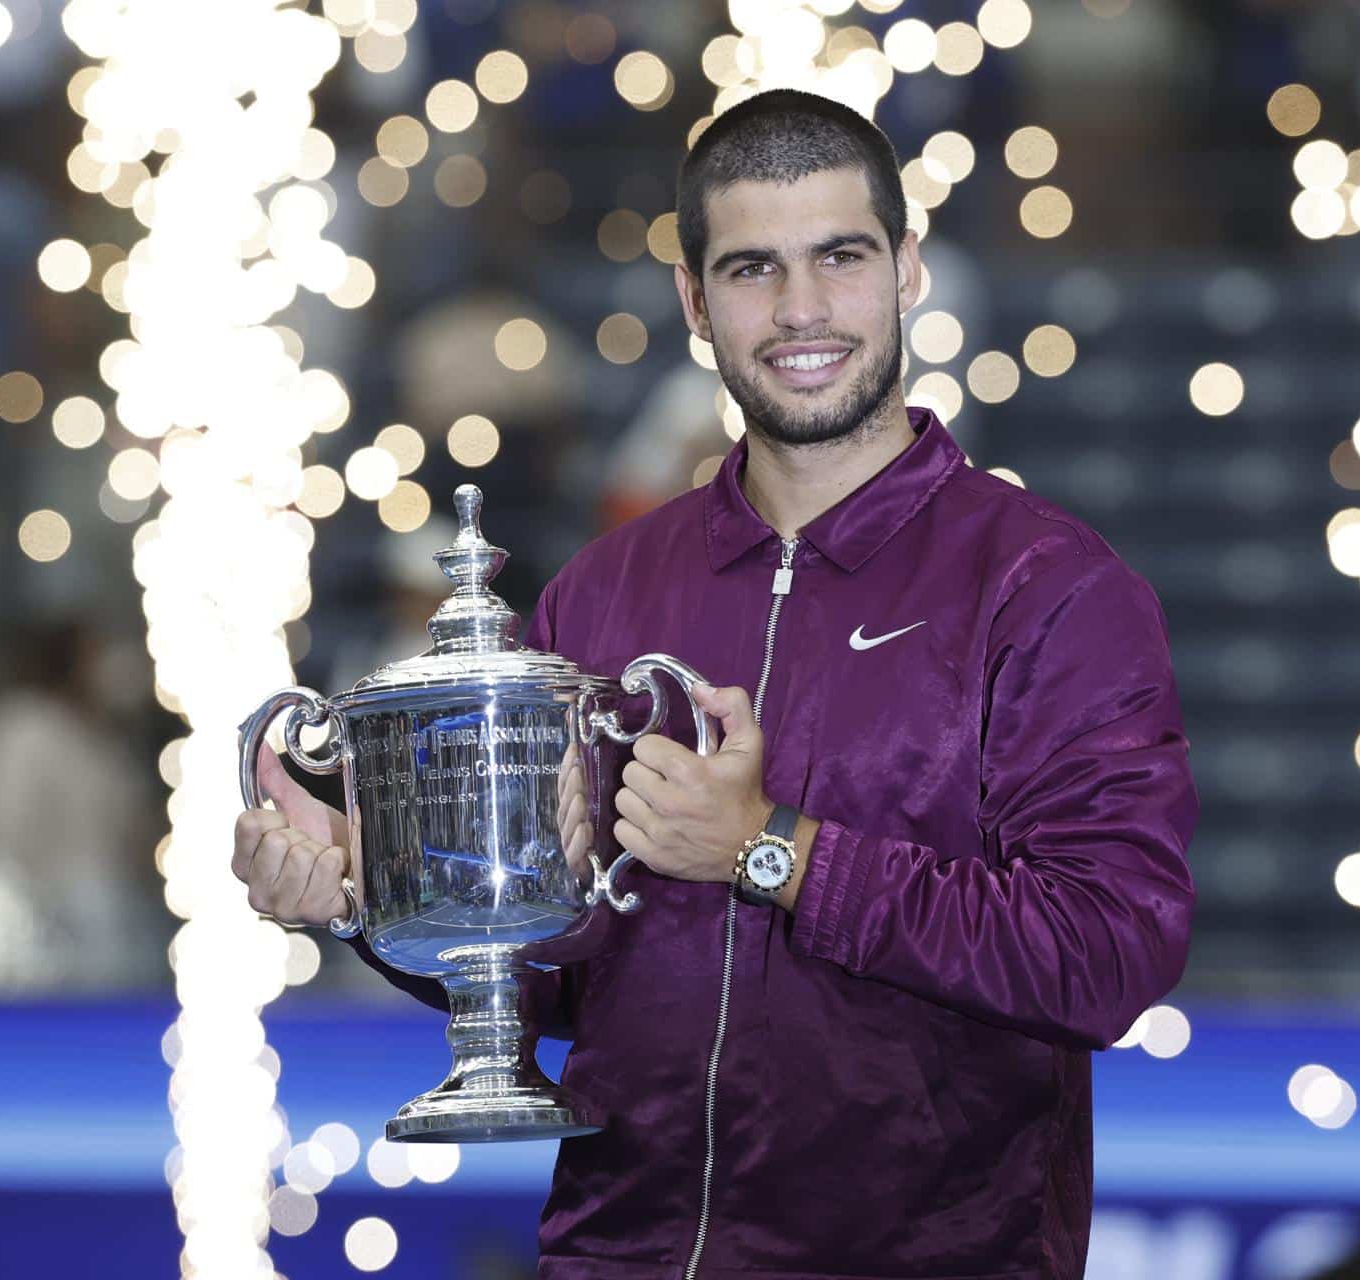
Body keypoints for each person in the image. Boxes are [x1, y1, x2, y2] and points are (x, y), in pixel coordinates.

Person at [233, 88, 1198, 1280]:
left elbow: (1109, 954)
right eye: (752, 269)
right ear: (695, 301)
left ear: (907, 270)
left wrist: (773, 847)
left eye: (839, 258)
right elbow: (561, 974)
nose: (801, 311)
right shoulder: (600, 594)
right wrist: (376, 881)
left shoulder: (1048, 586)